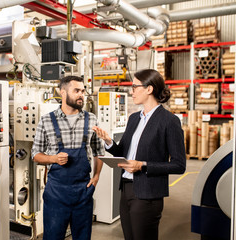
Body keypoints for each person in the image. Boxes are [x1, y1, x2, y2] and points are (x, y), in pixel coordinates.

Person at [92, 69, 186, 240]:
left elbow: (179, 165)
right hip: (126, 189)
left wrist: (142, 165)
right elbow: (123, 152)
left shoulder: (169, 121)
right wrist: (108, 142)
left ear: (149, 89)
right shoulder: (134, 118)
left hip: (148, 195)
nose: (131, 91)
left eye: (135, 87)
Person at [31, 75, 105, 240]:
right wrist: (53, 159)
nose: (81, 95)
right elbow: (35, 154)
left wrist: (97, 176)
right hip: (56, 192)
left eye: (83, 91)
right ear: (62, 93)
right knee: (53, 237)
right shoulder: (46, 121)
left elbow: (98, 151)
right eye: (76, 90)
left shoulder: (91, 119)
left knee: (83, 237)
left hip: (83, 191)